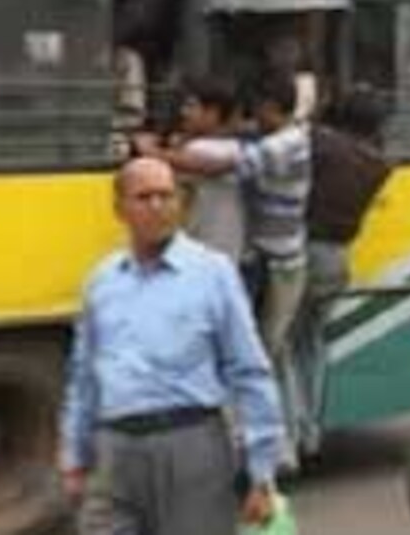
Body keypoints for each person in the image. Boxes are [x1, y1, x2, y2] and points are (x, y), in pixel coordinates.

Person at [60, 158, 284, 535]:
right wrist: (74, 454)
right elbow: (84, 377)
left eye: (166, 196)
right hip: (114, 452)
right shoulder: (102, 281)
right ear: (120, 210)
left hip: (191, 448)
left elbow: (248, 371)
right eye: (144, 197)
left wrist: (261, 472)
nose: (157, 207)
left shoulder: (212, 273)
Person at [136, 73, 311, 469]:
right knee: (260, 357)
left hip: (276, 265)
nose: (184, 112)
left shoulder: (282, 145)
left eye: (193, 106)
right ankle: (273, 449)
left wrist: (154, 154)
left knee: (251, 360)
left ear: (274, 108)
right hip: (257, 261)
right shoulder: (247, 141)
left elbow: (227, 162)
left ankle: (260, 454)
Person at [294, 88, 392, 455]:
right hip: (338, 260)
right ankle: (311, 429)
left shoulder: (325, 145)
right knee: (314, 344)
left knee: (287, 345)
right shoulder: (379, 163)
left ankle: (295, 432)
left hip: (307, 252)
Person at [173, 77, 246, 266]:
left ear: (212, 113)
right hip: (230, 254)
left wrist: (147, 149)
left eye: (191, 107)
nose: (183, 113)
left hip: (201, 255)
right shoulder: (236, 147)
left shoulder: (198, 149)